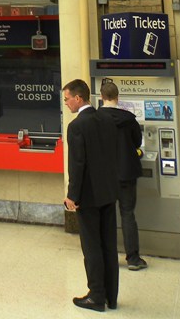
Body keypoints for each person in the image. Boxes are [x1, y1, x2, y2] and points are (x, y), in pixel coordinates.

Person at [63, 78, 119, 312]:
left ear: (78, 98)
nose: (66, 103)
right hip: (108, 192)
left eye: (67, 99)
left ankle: (96, 296)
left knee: (92, 246)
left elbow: (77, 164)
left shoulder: (77, 126)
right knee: (109, 245)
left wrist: (72, 195)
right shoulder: (107, 120)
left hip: (88, 195)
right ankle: (111, 296)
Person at [99, 80, 147, 271]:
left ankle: (108, 258)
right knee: (128, 214)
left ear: (102, 97)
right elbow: (137, 142)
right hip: (127, 173)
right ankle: (133, 258)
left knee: (106, 216)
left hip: (104, 175)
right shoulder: (129, 119)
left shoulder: (96, 119)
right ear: (117, 97)